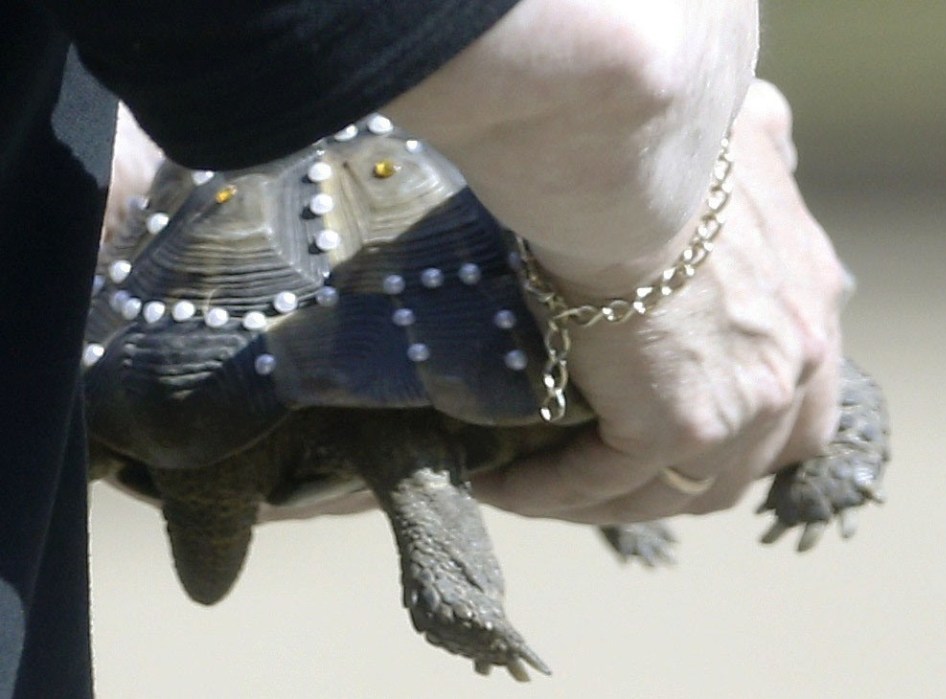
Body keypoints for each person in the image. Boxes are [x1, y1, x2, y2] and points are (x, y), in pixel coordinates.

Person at [0, 1, 845, 696]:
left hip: (128, 267)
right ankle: (455, 588)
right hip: (442, 227)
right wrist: (659, 241)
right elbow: (602, 57)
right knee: (406, 446)